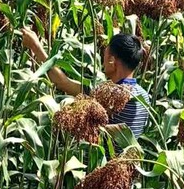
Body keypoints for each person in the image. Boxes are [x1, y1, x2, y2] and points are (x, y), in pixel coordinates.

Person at [22, 29, 150, 137]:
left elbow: (62, 83)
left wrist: (36, 47)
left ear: (112, 61)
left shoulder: (111, 95)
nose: (103, 62)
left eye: (104, 56)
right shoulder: (143, 96)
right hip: (127, 160)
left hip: (103, 160)